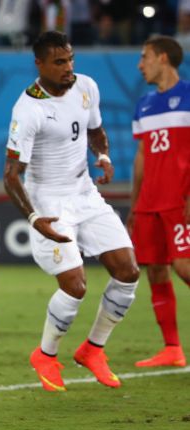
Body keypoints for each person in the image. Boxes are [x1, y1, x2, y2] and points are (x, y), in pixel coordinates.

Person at [3, 31, 140, 392]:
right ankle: (46, 355)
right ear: (40, 64)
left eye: (70, 60)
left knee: (128, 272)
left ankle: (93, 349)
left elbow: (95, 131)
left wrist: (104, 155)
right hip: (49, 200)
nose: (68, 68)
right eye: (59, 62)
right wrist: (34, 218)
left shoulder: (87, 87)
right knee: (75, 286)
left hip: (85, 193)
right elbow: (11, 175)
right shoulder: (29, 108)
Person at [129, 35, 190, 368]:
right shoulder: (144, 105)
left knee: (184, 266)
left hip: (179, 200)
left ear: (163, 58)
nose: (141, 64)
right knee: (155, 270)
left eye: (145, 57)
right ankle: (172, 348)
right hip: (150, 202)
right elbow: (142, 157)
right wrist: (134, 204)